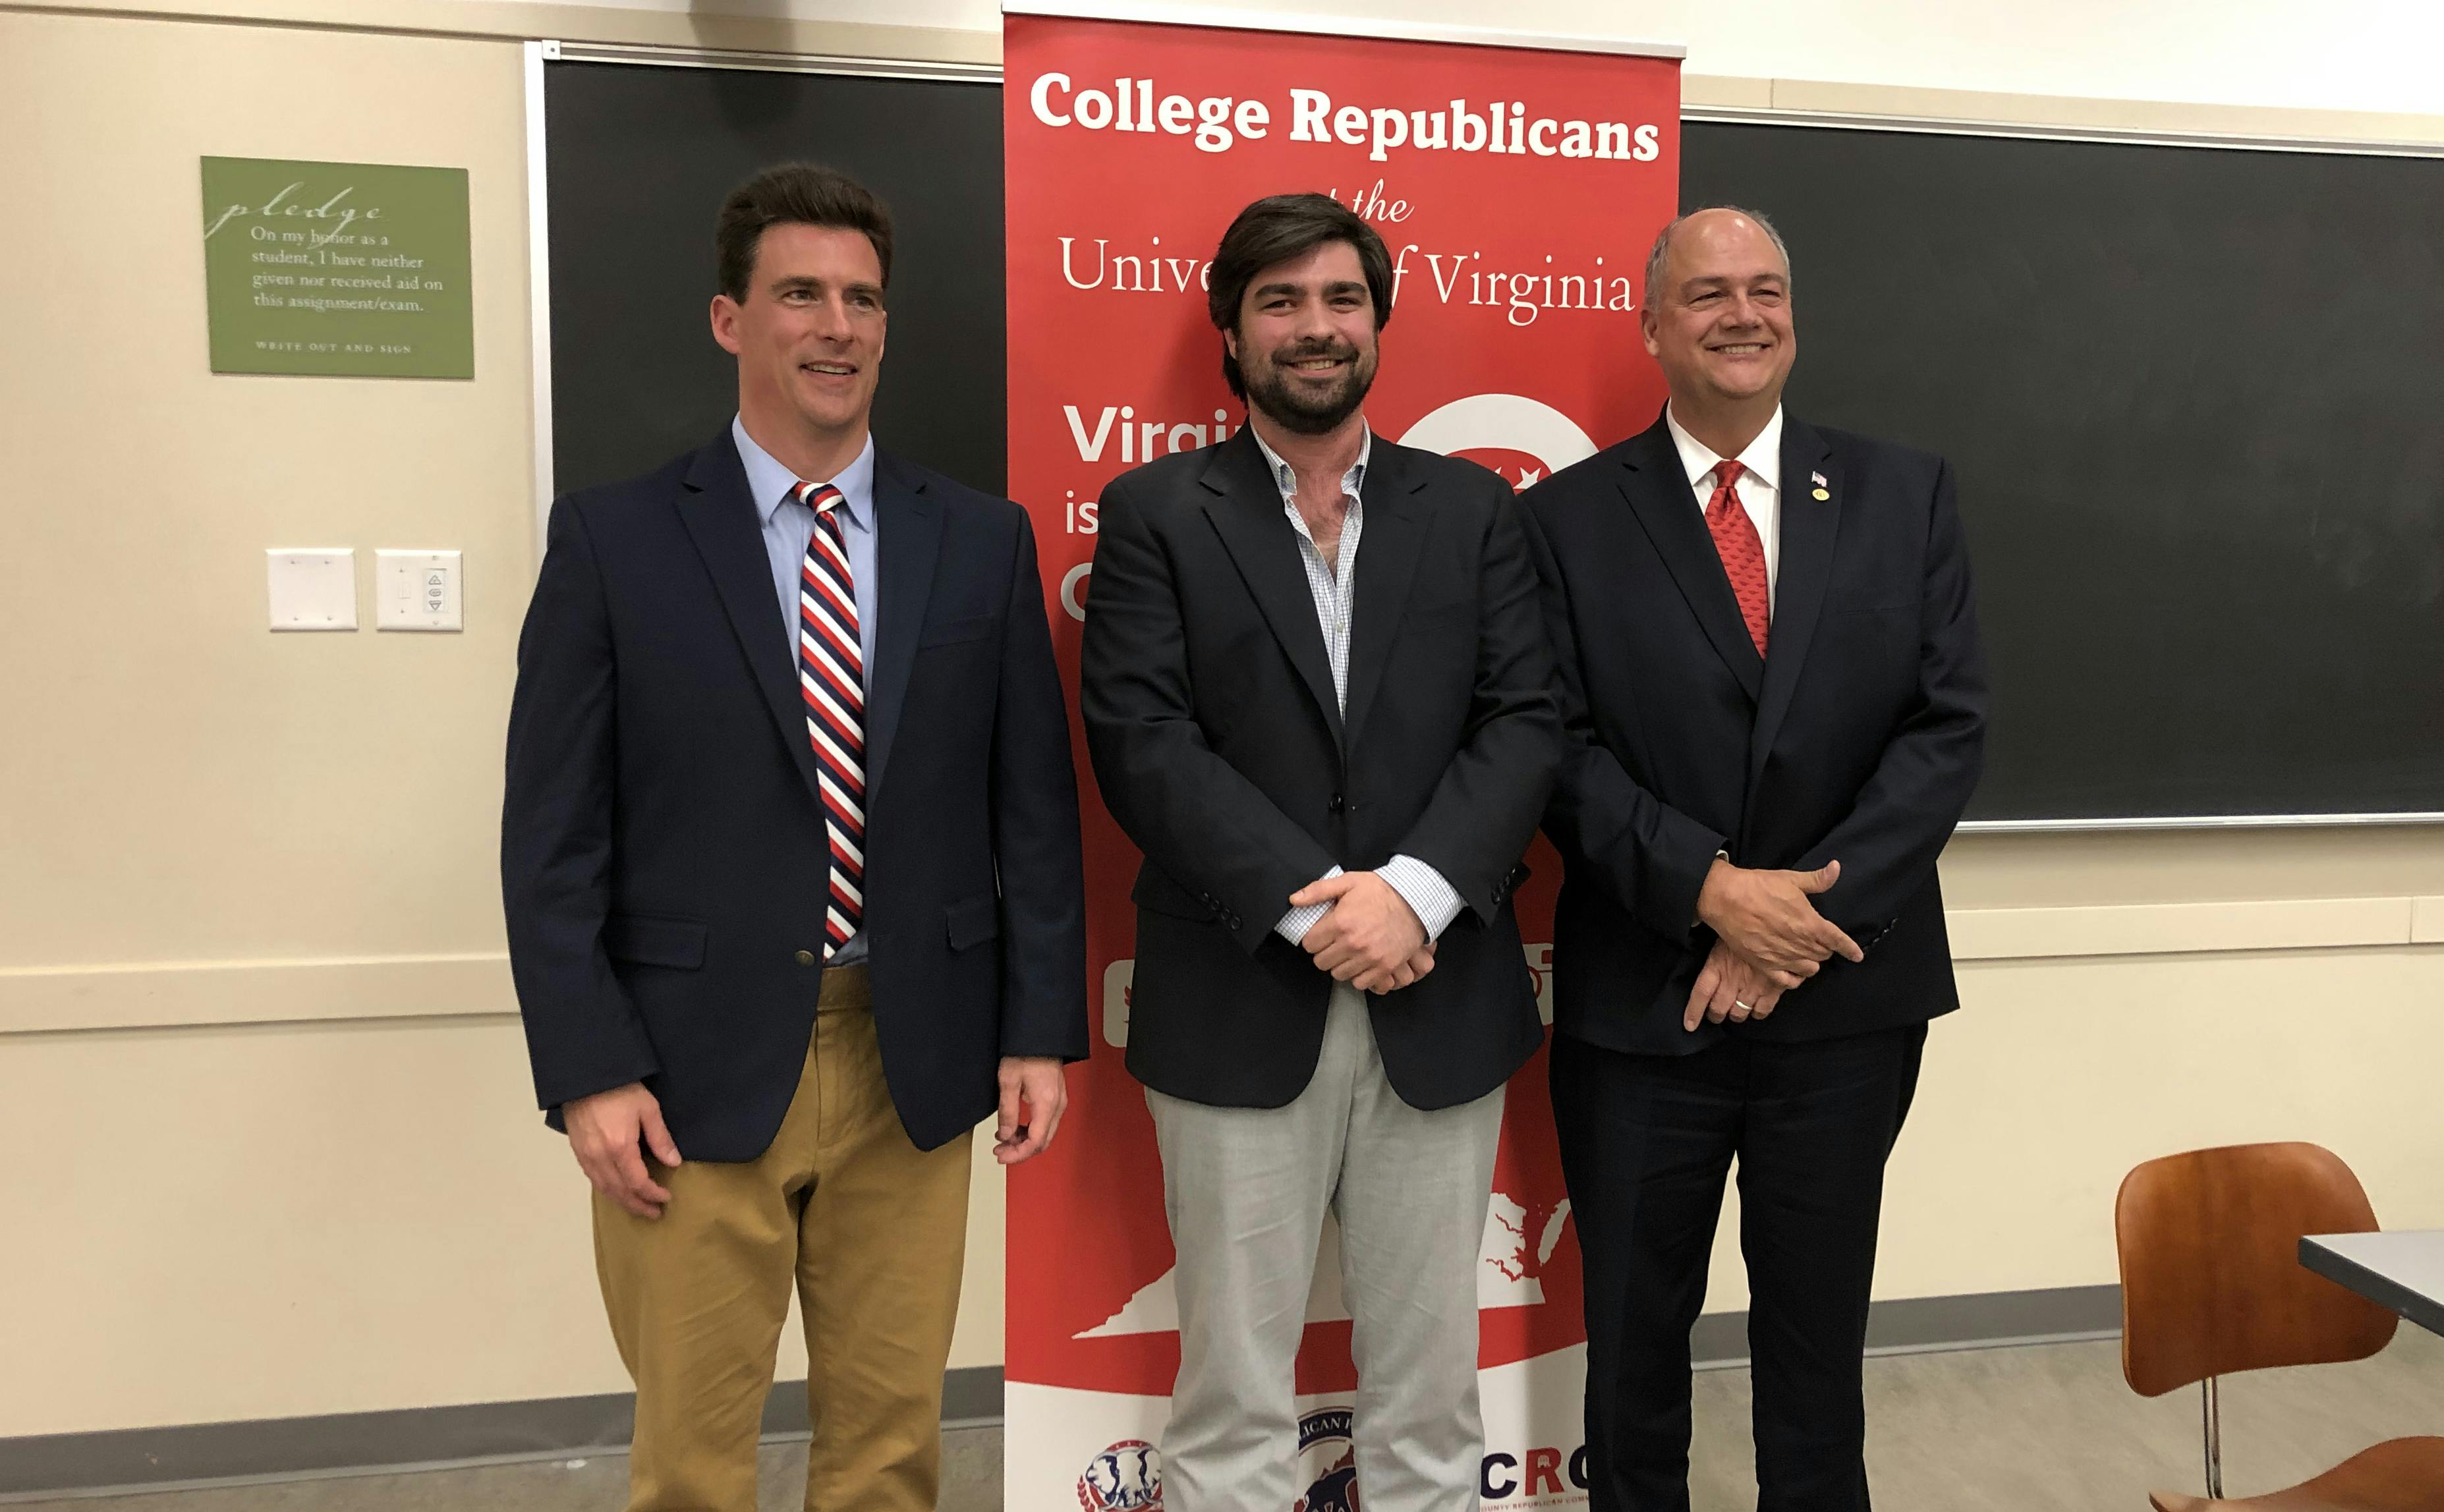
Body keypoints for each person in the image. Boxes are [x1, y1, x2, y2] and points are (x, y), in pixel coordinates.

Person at [500, 161, 1087, 1512]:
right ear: (731, 320)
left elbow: (1031, 810)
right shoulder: (616, 538)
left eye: (863, 299)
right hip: (684, 1073)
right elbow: (551, 836)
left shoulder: (979, 542)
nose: (837, 325)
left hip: (916, 1056)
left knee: (889, 1454)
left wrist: (1036, 1026)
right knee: (694, 1464)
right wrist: (586, 1064)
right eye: (802, 294)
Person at [1079, 192, 1558, 1512]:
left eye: (1340, 299)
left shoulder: (1473, 512)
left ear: (1378, 323)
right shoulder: (1156, 513)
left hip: (1437, 989)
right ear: (1229, 331)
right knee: (1231, 1391)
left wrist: (1410, 894)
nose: (1314, 327)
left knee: (1428, 1391)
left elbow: (1526, 719)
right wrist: (1315, 909)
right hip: (1240, 992)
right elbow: (1141, 738)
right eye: (1280, 301)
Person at [1518, 206, 1987, 1511]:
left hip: (1845, 1003)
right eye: (1709, 291)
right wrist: (1711, 893)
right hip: (1639, 1004)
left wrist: (1794, 922)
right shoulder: (1562, 519)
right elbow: (1553, 744)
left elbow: (1944, 731)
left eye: (1766, 289)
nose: (1743, 313)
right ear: (1653, 324)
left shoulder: (1904, 492)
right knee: (1632, 1354)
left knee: (1814, 1345)